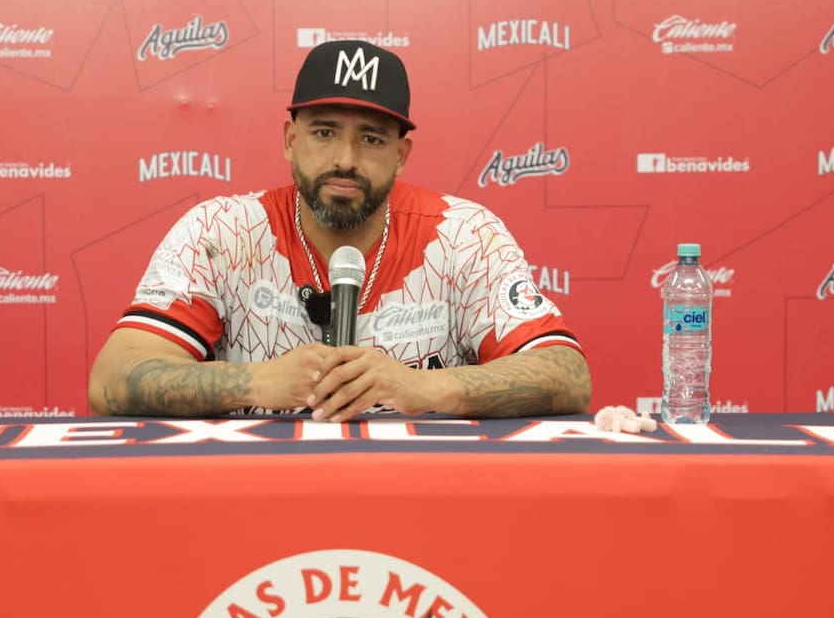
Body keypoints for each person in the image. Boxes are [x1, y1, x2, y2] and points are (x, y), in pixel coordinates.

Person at [88, 39, 591, 421]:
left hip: (420, 504)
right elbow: (112, 378)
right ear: (290, 139)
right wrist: (252, 382)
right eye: (324, 132)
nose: (345, 160)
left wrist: (424, 388)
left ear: (401, 154)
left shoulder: (465, 236)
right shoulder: (221, 232)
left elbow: (567, 374)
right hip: (252, 502)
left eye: (371, 139)